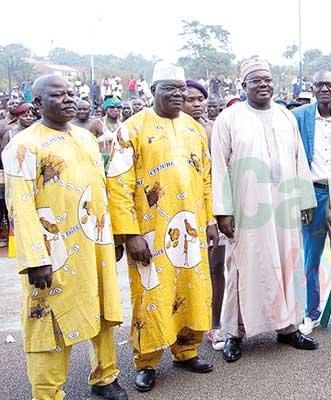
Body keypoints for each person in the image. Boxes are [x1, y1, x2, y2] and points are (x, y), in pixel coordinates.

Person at [3, 74, 127, 400]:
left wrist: (111, 237)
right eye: (59, 95)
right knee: (50, 319)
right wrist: (35, 259)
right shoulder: (23, 145)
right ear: (38, 104)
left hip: (93, 245)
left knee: (102, 310)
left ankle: (105, 377)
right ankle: (47, 392)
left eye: (71, 93)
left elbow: (100, 191)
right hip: (52, 252)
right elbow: (20, 205)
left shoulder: (86, 139)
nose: (69, 99)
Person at [106, 62, 217, 391]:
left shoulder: (195, 129)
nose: (179, 95)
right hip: (150, 233)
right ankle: (147, 361)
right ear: (153, 91)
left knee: (192, 289)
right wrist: (130, 234)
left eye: (182, 90)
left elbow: (206, 179)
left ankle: (186, 351)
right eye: (170, 89)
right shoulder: (131, 129)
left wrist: (209, 219)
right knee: (151, 294)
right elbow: (118, 184)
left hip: (192, 228)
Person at [211, 58, 320, 363]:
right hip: (247, 209)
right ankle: (234, 333)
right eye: (255, 80)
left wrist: (305, 200)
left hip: (284, 207)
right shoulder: (229, 119)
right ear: (243, 85)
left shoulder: (286, 116)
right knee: (242, 267)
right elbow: (219, 168)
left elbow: (300, 160)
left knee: (287, 264)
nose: (263, 84)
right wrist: (223, 212)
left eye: (267, 79)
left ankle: (288, 328)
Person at [292, 71, 331, 334]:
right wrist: (300, 197)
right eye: (319, 84)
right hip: (312, 194)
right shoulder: (299, 116)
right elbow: (293, 157)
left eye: (329, 84)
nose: (324, 88)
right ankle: (311, 312)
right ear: (313, 88)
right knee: (311, 257)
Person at [180, 79, 225, 351]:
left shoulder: (213, 130)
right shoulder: (168, 132)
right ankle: (186, 327)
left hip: (211, 209)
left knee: (215, 268)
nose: (196, 104)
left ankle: (215, 324)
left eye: (200, 99)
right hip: (179, 212)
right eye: (190, 99)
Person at [90, 97, 123, 164]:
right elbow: (89, 144)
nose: (116, 109)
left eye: (118, 107)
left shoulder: (123, 126)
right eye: (112, 107)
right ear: (106, 109)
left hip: (118, 162)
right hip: (101, 162)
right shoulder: (97, 123)